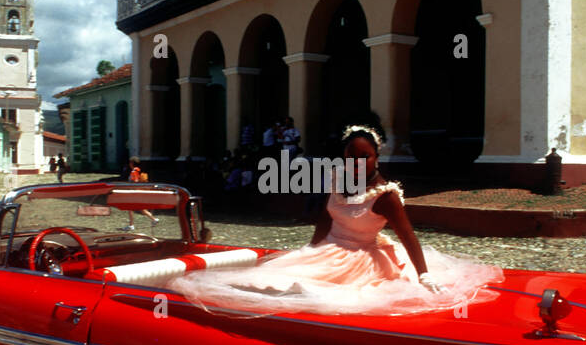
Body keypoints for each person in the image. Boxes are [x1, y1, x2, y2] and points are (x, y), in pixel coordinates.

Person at [168, 124, 502, 316]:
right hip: (330, 249)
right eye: (350, 155)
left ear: (376, 156)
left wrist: (424, 275)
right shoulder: (335, 179)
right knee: (273, 280)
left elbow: (408, 236)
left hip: (364, 257)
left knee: (322, 297)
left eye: (364, 156)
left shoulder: (385, 196)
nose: (356, 161)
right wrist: (311, 248)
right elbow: (324, 218)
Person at [123, 157, 158, 229]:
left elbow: (135, 182)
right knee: (141, 208)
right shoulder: (139, 170)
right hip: (138, 192)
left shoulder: (133, 172)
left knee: (129, 207)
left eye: (130, 162)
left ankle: (131, 225)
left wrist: (130, 188)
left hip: (134, 192)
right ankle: (154, 219)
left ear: (131, 163)